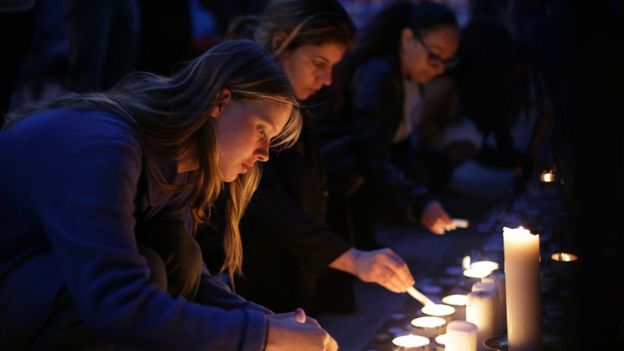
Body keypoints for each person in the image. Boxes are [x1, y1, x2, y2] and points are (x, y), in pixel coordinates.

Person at [0, 40, 339, 351]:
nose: (265, 153)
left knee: (181, 257)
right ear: (220, 101)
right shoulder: (107, 148)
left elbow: (190, 274)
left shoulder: (175, 162)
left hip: (31, 286)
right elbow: (116, 299)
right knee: (148, 270)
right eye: (262, 130)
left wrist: (263, 321)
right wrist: (262, 335)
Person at [199, 0, 417, 315]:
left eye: (333, 66)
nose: (327, 79)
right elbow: (266, 201)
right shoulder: (243, 108)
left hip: (290, 276)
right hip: (252, 277)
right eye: (318, 63)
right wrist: (352, 259)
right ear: (280, 44)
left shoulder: (306, 106)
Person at [324, 0, 459, 250]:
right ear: (408, 38)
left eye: (446, 62)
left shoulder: (408, 73)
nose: (439, 69)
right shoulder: (379, 77)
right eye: (434, 57)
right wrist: (419, 202)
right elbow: (370, 155)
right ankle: (361, 242)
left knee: (434, 164)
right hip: (348, 172)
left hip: (378, 158)